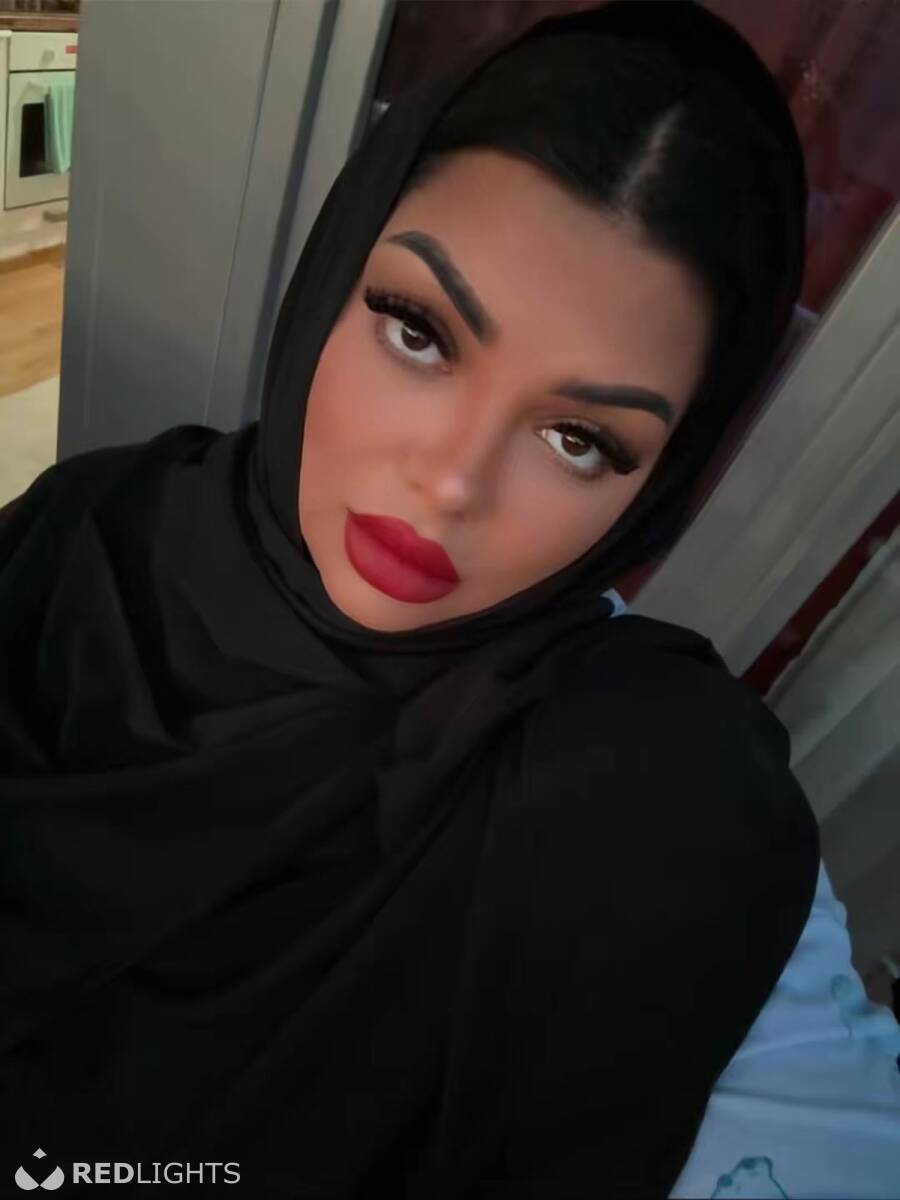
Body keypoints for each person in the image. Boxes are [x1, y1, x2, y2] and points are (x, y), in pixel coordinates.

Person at [0, 3, 827, 1196]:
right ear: (335, 278)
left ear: (660, 486)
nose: (451, 482)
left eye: (579, 439)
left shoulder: (635, 789)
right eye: (419, 331)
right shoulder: (87, 533)